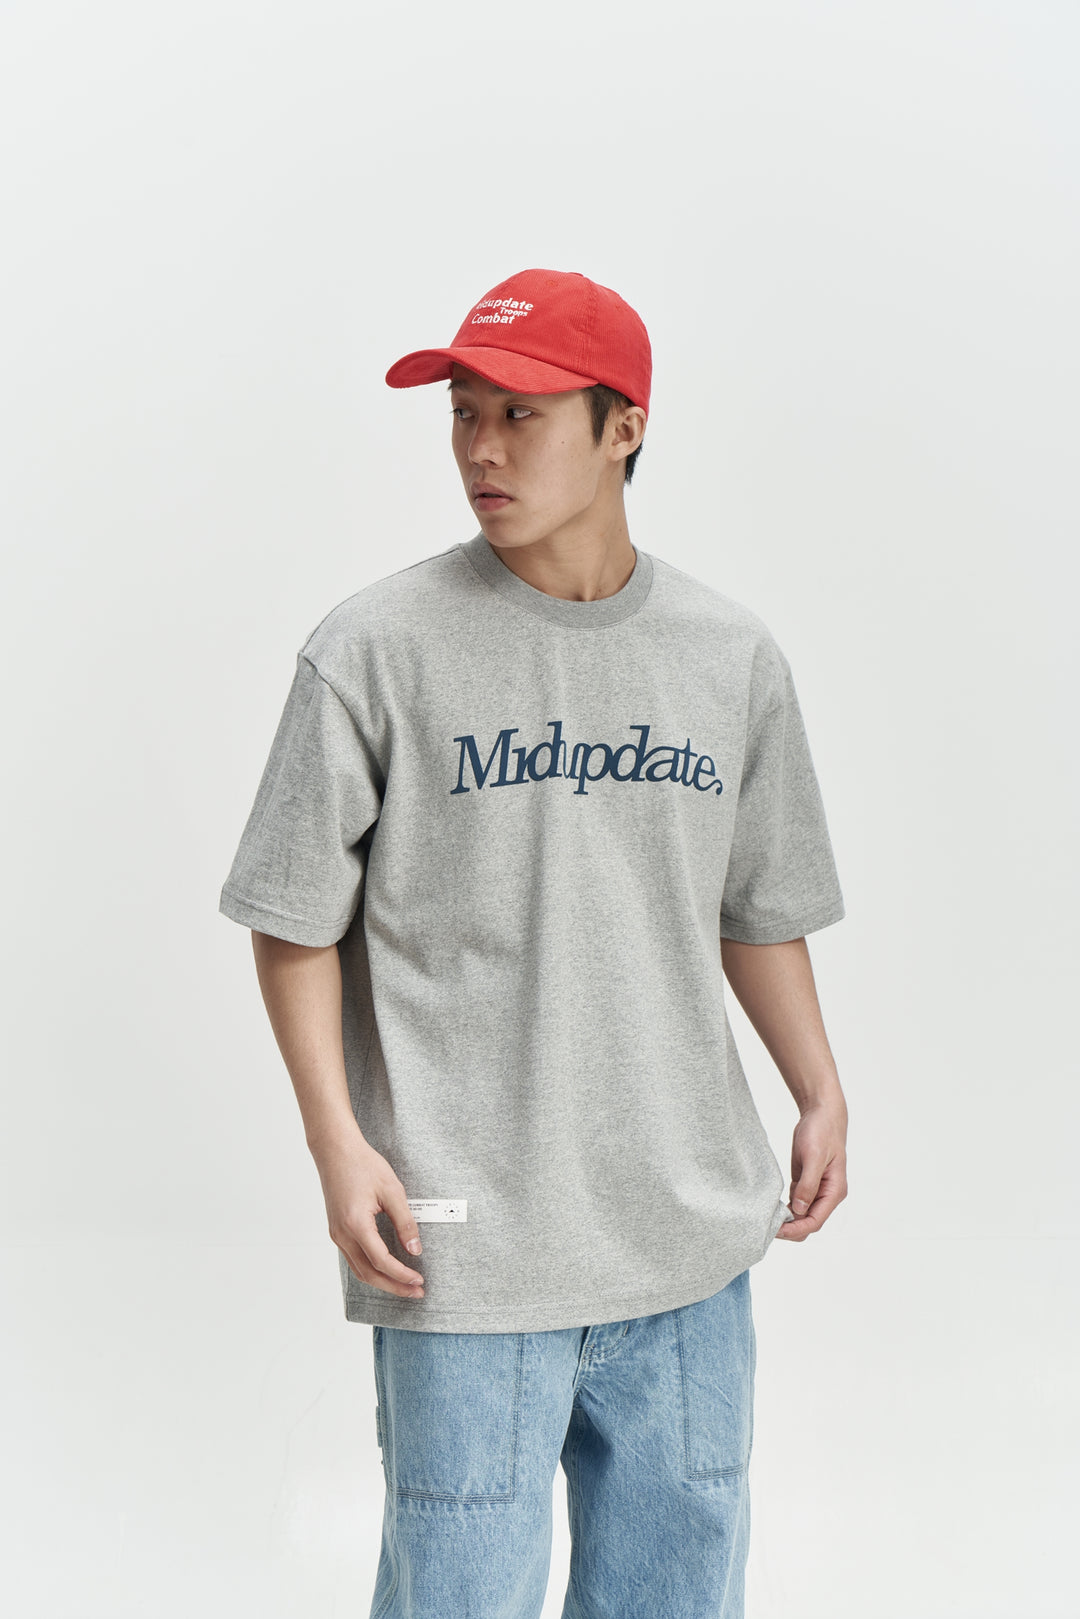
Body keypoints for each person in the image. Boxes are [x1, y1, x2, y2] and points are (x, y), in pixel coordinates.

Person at [218, 267, 849, 1618]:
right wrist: (338, 1144)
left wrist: (818, 1087)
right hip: (465, 1242)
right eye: (464, 414)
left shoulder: (730, 657)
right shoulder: (375, 649)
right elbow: (292, 919)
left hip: (686, 1241)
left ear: (625, 427)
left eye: (521, 414)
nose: (481, 451)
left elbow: (756, 905)